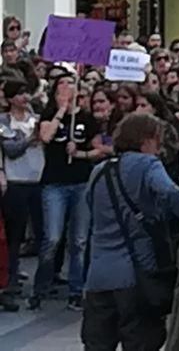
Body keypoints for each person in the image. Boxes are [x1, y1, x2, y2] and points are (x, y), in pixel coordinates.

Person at [81, 113, 179, 350]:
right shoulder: (147, 164)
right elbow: (171, 193)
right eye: (157, 140)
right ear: (146, 139)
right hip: (135, 273)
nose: (158, 148)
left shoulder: (100, 170)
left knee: (97, 343)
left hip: (98, 275)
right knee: (140, 340)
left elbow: (90, 204)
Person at [33, 74, 102, 310]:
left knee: (80, 240)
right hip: (54, 183)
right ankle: (40, 287)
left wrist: (80, 153)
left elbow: (99, 149)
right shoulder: (48, 115)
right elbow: (45, 136)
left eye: (71, 83)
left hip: (81, 182)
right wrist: (61, 110)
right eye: (62, 84)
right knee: (52, 237)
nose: (66, 87)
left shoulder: (87, 119)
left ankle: (76, 289)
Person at [0, 76, 43, 306]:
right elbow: (11, 148)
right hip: (16, 181)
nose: (24, 97)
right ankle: (12, 276)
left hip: (38, 180)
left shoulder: (36, 119)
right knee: (15, 233)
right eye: (19, 93)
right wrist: (30, 139)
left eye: (26, 92)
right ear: (9, 99)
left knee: (41, 231)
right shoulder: (3, 122)